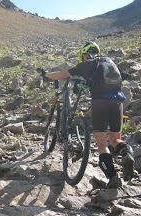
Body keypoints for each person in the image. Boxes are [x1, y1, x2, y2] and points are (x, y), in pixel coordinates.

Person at [42, 41, 134, 188]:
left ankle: (113, 178)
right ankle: (126, 153)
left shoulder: (87, 64)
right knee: (115, 139)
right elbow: (125, 76)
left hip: (100, 103)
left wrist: (46, 74)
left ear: (85, 55)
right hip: (118, 102)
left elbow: (61, 74)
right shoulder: (110, 62)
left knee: (102, 145)